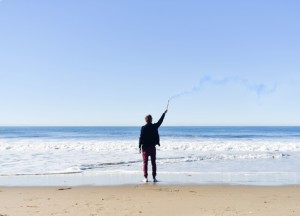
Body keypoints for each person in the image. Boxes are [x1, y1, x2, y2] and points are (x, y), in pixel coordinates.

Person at [139, 109, 168, 182]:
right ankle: (154, 178)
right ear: (151, 120)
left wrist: (139, 147)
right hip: (152, 147)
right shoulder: (154, 126)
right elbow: (160, 121)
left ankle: (145, 178)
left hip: (145, 148)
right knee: (153, 163)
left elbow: (141, 137)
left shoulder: (143, 128)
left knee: (145, 163)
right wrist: (164, 113)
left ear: (145, 120)